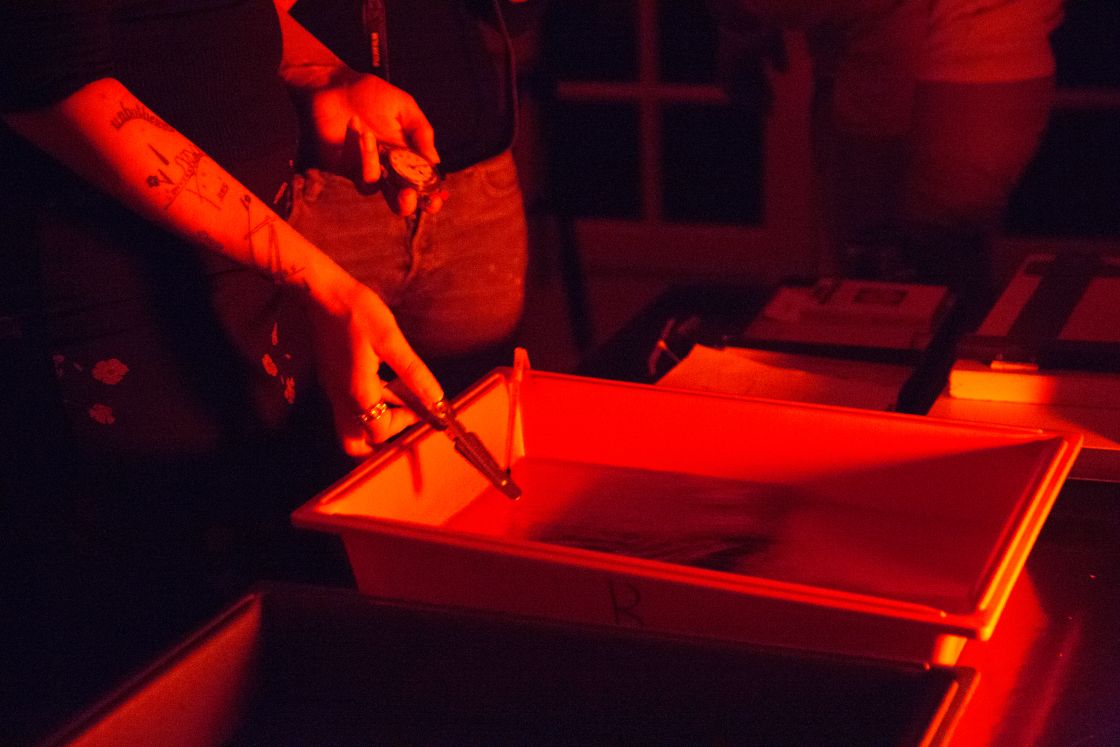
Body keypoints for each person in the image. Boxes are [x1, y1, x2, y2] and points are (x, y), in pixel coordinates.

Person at [0, 1, 445, 739]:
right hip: (104, 315)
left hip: (241, 275)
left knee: (262, 627)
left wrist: (321, 74)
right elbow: (46, 78)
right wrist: (322, 282)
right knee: (154, 662)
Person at [711, 0, 1063, 326]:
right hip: (1002, 57)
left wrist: (741, 21)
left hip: (941, 76)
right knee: (942, 272)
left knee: (900, 286)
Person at [281, 0, 543, 395]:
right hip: (323, 175)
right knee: (318, 412)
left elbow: (515, 16)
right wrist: (320, 74)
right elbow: (231, 18)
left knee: (477, 406)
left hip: (475, 183)